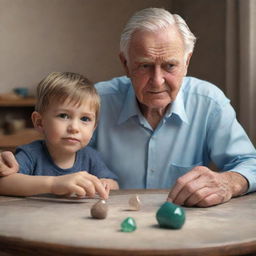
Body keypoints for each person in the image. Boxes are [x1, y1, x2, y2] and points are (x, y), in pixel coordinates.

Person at [1, 8, 256, 207]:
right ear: (125, 63)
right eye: (144, 65)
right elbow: (51, 155)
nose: (157, 81)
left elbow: (250, 162)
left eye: (170, 66)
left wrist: (230, 181)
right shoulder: (94, 103)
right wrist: (9, 164)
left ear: (187, 62)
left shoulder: (209, 102)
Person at [0, 72, 119, 199]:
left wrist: (104, 184)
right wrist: (53, 184)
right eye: (63, 116)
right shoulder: (30, 154)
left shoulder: (91, 157)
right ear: (39, 122)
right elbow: (4, 183)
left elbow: (114, 184)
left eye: (85, 118)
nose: (74, 128)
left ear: (94, 128)